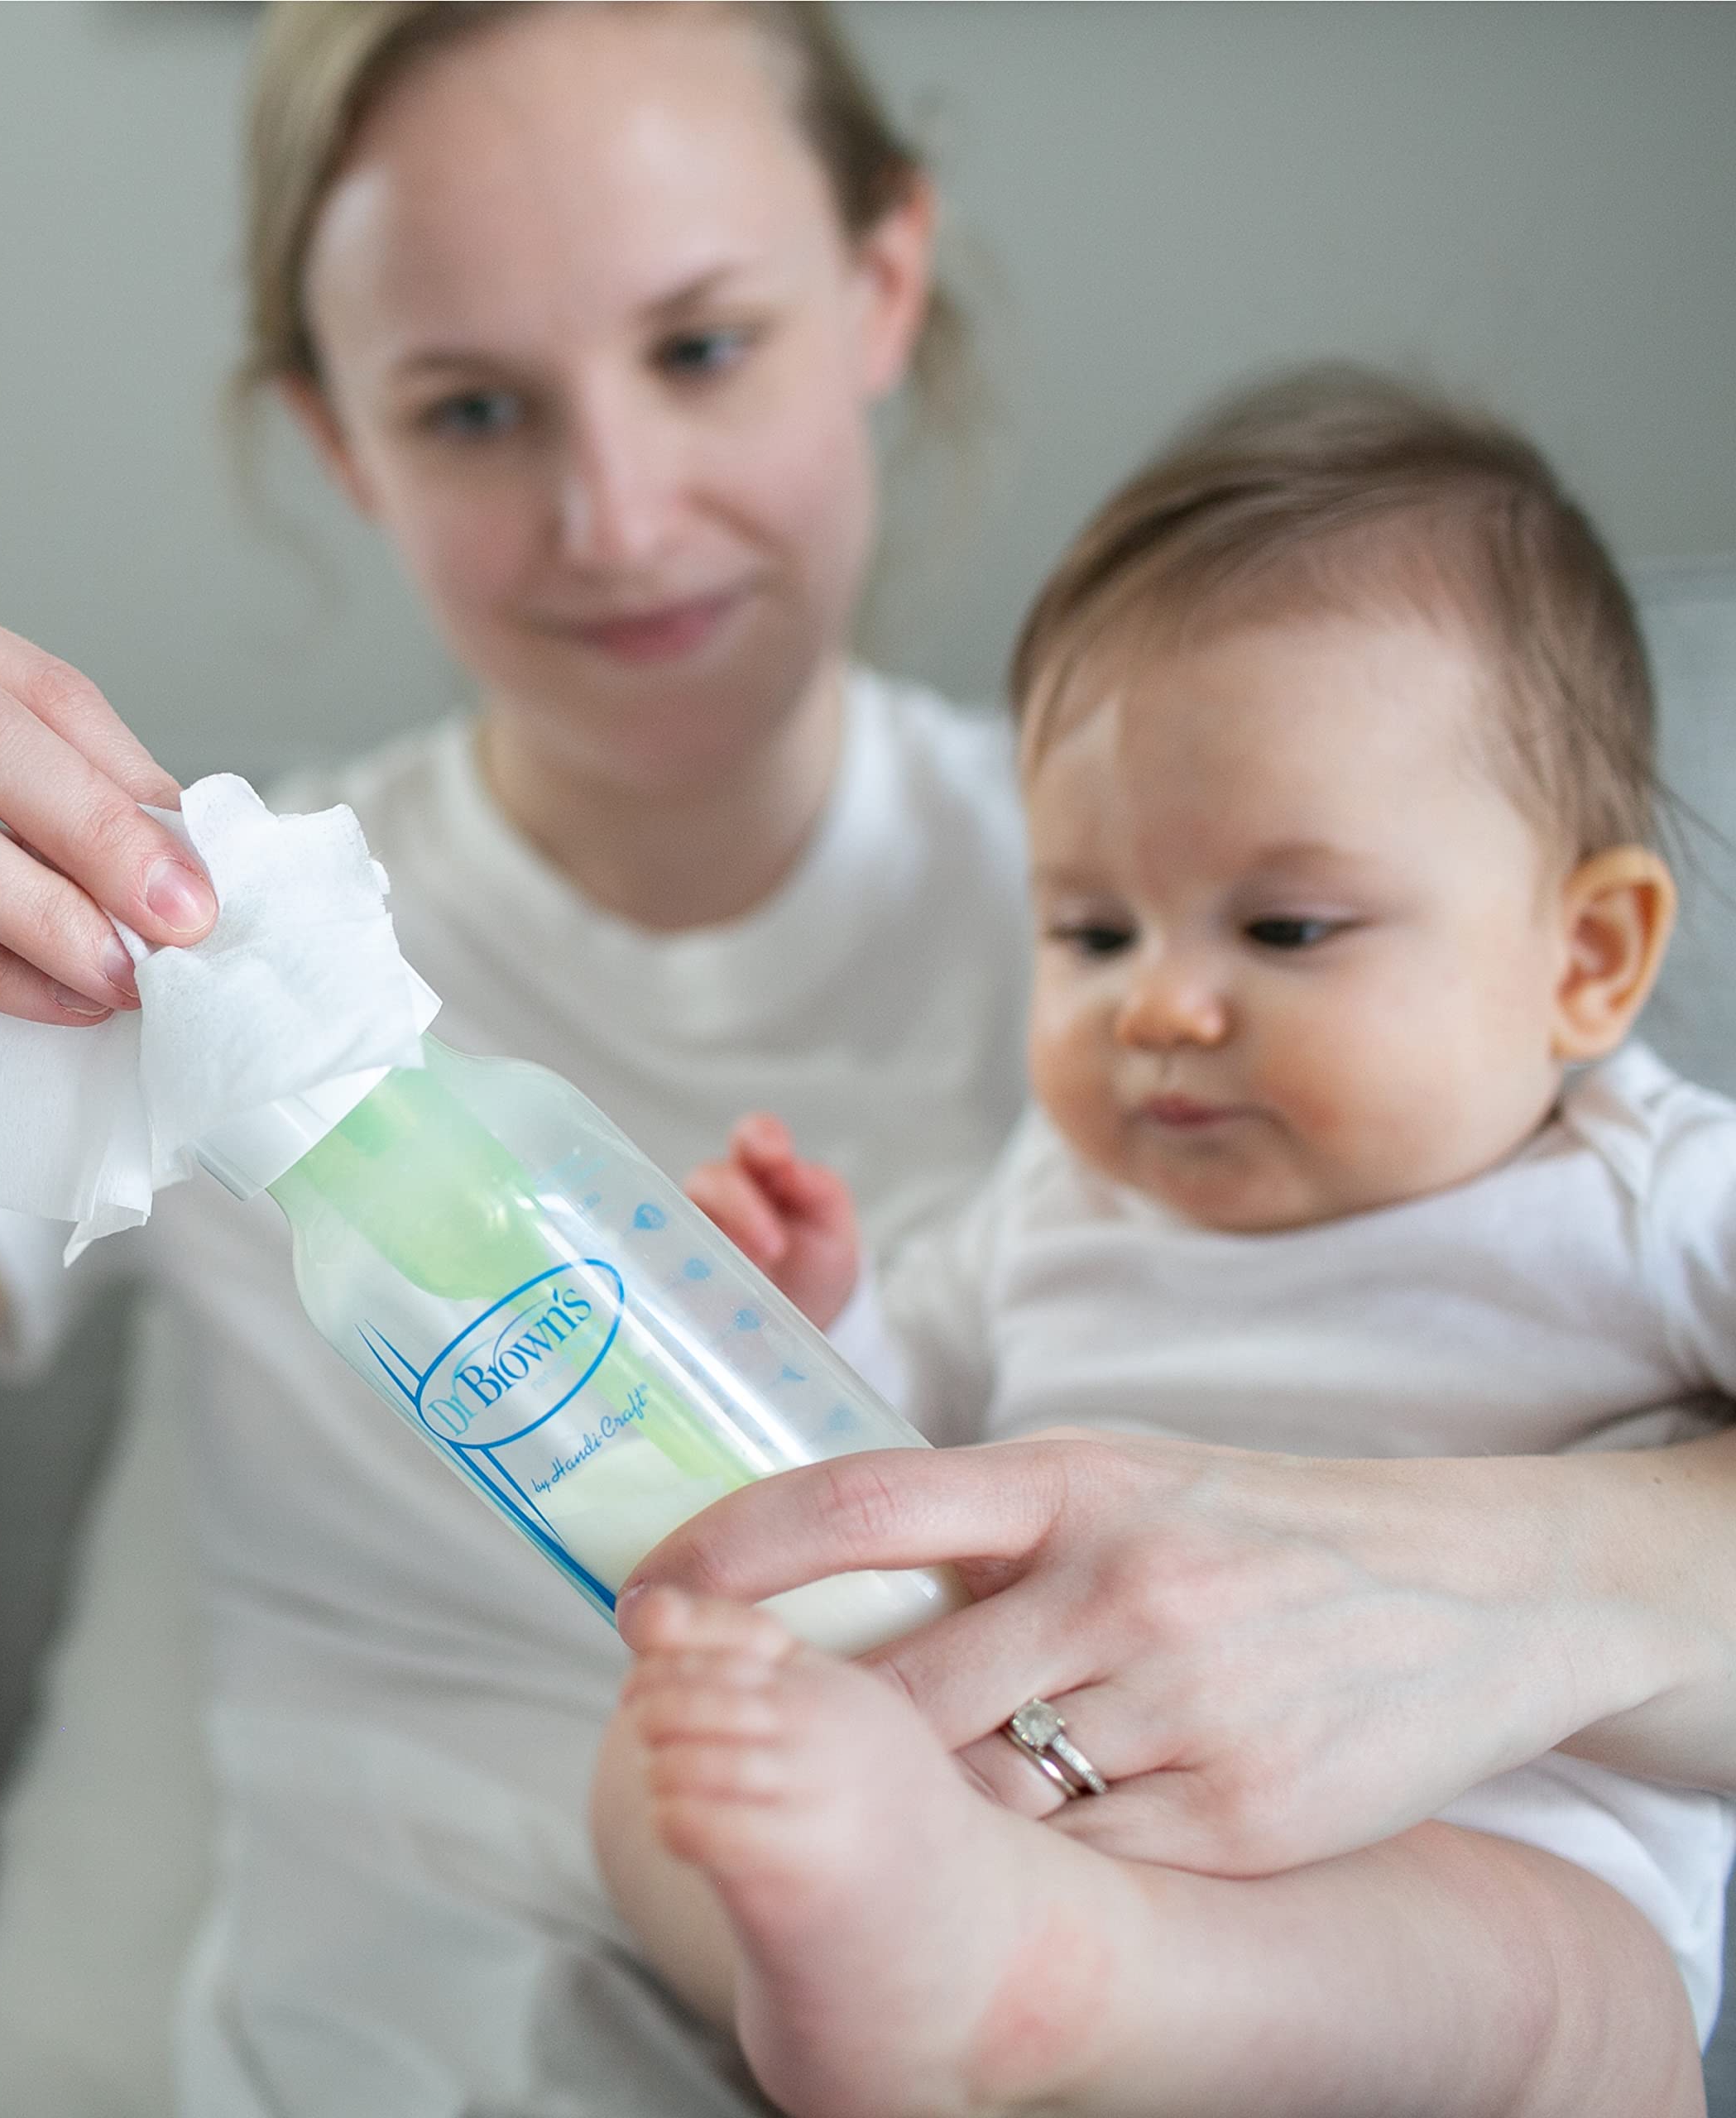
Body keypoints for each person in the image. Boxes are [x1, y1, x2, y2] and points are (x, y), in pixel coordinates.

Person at [0, 7, 1027, 2111]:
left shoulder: (1228, 918)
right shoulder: (198, 951)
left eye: (702, 346)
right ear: (338, 434)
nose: (614, 511)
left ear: (881, 282)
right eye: (471, 407)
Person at [597, 368, 1729, 2117]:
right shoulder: (1053, 1204)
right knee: (659, 1761)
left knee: (1540, 1983)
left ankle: (1019, 1983)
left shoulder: (1648, 1187)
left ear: (1584, 956)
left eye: (1284, 927)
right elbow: (895, 1459)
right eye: (1094, 929)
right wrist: (807, 1314)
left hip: (1488, 1863)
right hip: (1069, 1796)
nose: (1159, 1008)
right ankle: (907, 1952)